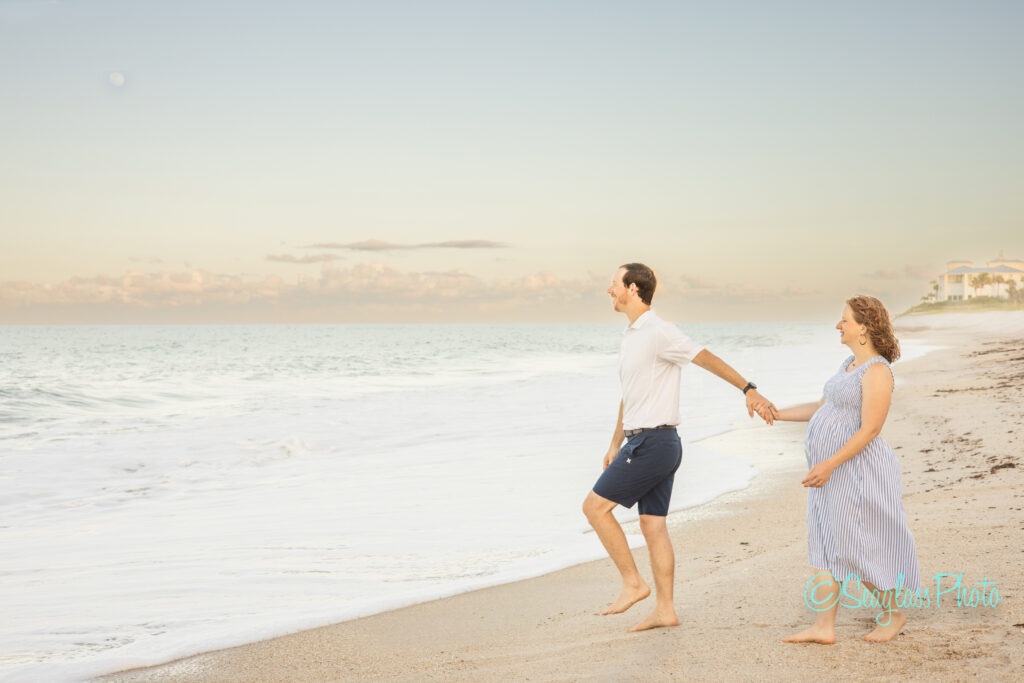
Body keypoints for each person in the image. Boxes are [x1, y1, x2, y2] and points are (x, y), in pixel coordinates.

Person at [582, 263, 776, 632]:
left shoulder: (659, 332)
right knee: (652, 526)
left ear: (634, 289)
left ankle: (633, 583)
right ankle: (665, 610)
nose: (609, 290)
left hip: (654, 443)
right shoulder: (632, 336)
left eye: (614, 284)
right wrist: (614, 443)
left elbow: (705, 357)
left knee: (594, 508)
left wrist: (748, 389)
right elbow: (631, 396)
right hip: (650, 440)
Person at [775, 295, 920, 644]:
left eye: (844, 320)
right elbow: (822, 408)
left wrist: (828, 464)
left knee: (854, 544)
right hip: (831, 473)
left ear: (864, 328)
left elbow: (871, 429)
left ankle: (894, 614)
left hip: (855, 471)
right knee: (825, 542)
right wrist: (777, 414)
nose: (838, 326)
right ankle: (823, 627)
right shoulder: (848, 365)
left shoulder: (878, 371)